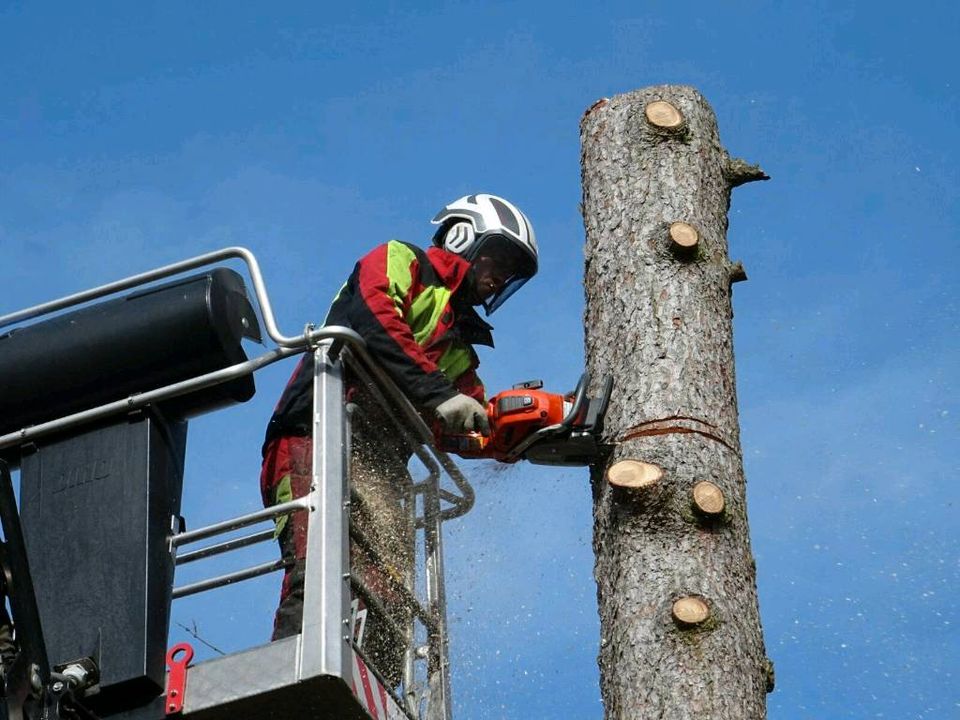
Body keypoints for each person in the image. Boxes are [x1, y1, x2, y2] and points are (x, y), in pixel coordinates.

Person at [259, 193, 538, 677]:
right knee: (320, 569)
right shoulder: (400, 260)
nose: (499, 278)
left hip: (382, 466)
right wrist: (439, 395)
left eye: (510, 273)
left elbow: (465, 424)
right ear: (464, 237)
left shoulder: (461, 351)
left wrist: (526, 432)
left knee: (388, 596)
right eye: (499, 261)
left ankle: (378, 695)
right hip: (315, 434)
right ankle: (294, 688)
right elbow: (375, 320)